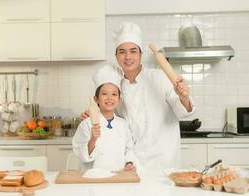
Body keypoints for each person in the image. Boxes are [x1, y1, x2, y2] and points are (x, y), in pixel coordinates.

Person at [82, 22, 195, 170]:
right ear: (116, 56)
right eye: (122, 51)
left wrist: (184, 97)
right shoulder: (115, 86)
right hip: (131, 163)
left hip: (163, 162)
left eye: (133, 51)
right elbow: (109, 118)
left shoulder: (160, 77)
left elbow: (182, 111)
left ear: (141, 54)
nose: (128, 57)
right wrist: (93, 115)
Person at [72, 66, 137, 172]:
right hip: (93, 179)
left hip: (118, 177)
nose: (110, 98)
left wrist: (129, 163)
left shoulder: (123, 124)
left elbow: (128, 149)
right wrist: (93, 139)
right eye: (104, 94)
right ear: (96, 99)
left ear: (119, 100)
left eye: (114, 94)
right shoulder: (87, 124)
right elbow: (81, 155)